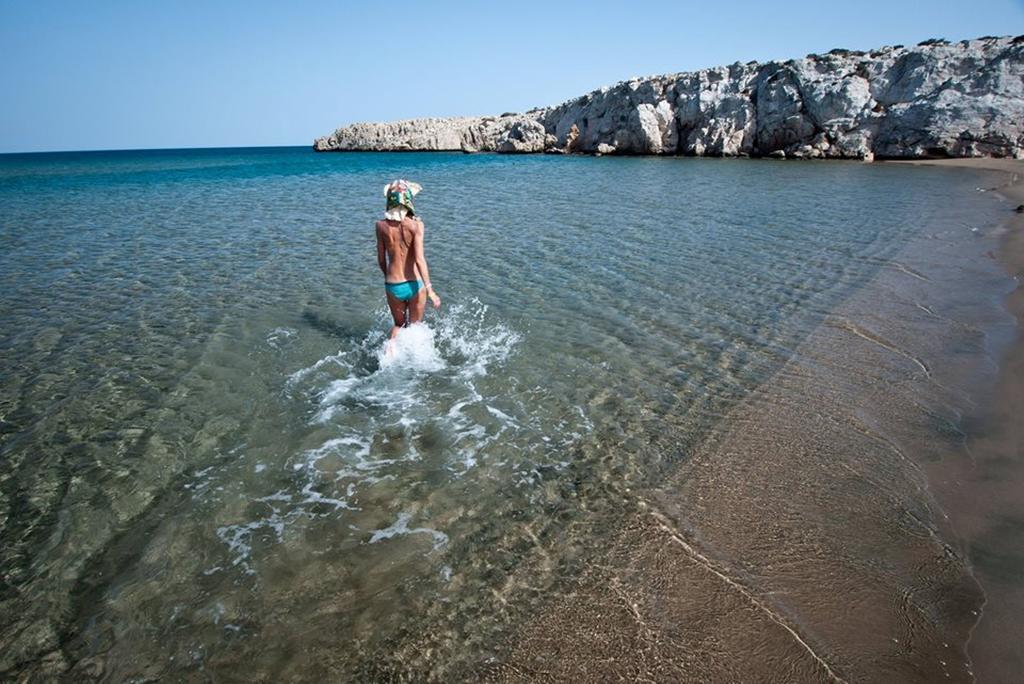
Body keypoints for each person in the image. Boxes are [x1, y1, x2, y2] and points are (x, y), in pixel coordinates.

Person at [375, 179, 441, 345]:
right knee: (415, 327)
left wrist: (387, 277)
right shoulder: (417, 225)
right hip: (416, 286)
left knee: (398, 325)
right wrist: (430, 290)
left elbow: (381, 259)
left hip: (393, 285)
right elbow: (419, 259)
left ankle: (390, 351)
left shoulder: (380, 226)